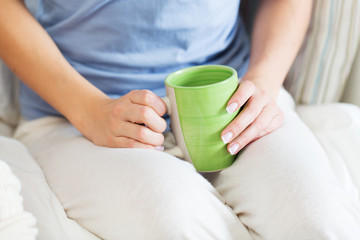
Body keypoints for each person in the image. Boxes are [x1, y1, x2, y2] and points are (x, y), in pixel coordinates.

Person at [0, 0, 359, 239]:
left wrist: (264, 80)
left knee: (317, 222)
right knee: (173, 222)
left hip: (234, 95)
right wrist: (89, 110)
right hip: (75, 114)